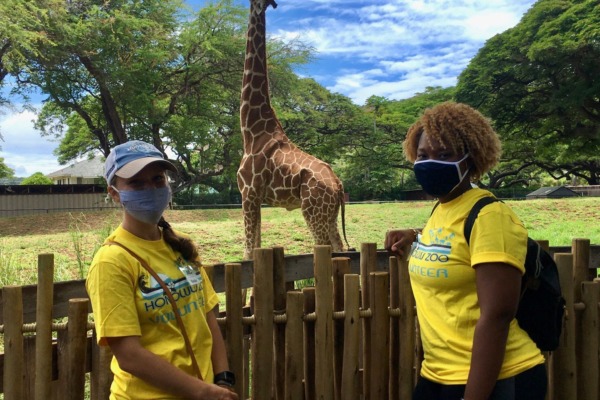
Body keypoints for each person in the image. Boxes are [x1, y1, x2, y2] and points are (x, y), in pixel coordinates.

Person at [385, 102, 547, 400]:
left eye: (444, 154)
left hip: (496, 380)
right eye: (423, 155)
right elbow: (454, 244)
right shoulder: (442, 208)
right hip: (436, 374)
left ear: (471, 159)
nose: (430, 162)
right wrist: (415, 235)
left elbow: (497, 315)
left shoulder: (490, 216)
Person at [86, 140, 238, 400]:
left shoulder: (181, 245)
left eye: (157, 179)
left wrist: (223, 381)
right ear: (114, 193)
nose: (150, 189)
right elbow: (129, 356)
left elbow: (208, 317)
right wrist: (203, 392)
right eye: (136, 183)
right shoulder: (111, 261)